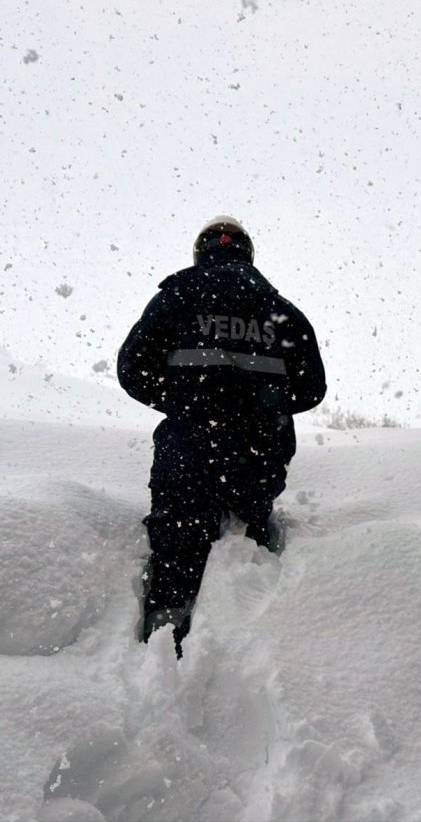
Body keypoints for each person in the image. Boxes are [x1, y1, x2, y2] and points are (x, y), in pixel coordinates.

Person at [117, 216, 326, 656]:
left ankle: (164, 642)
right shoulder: (280, 309)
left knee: (178, 537)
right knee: (251, 527)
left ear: (201, 252)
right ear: (247, 253)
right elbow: (312, 390)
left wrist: (181, 399)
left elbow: (130, 370)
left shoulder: (177, 297)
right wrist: (264, 402)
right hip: (259, 456)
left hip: (188, 452)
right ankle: (253, 642)